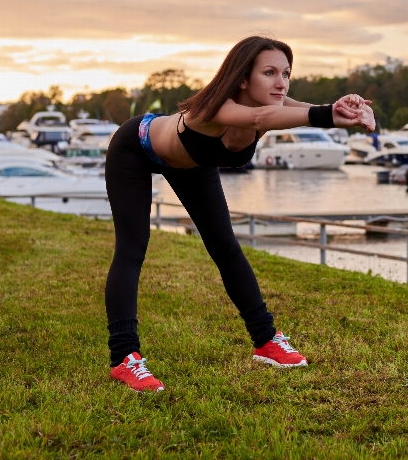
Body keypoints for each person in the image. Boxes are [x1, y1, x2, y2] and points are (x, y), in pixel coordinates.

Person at [104, 36, 375, 392]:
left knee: (225, 247)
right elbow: (260, 117)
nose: (281, 82)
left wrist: (343, 107)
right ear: (243, 79)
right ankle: (125, 358)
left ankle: (266, 340)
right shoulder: (216, 108)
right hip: (135, 148)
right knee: (133, 248)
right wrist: (328, 116)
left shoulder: (272, 103)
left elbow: (291, 109)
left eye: (286, 73)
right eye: (269, 72)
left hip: (192, 164)